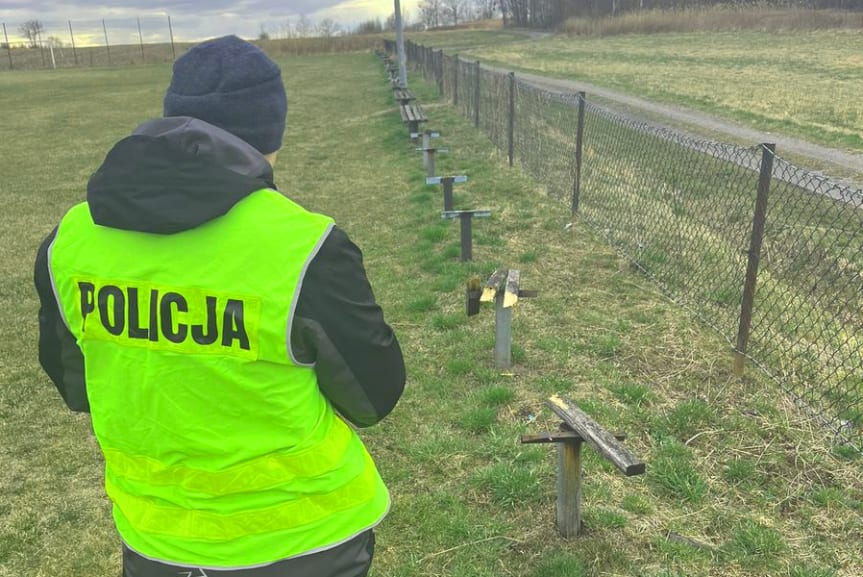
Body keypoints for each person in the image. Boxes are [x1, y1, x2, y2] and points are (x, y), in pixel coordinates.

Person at [34, 35, 405, 577]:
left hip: (156, 539)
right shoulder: (302, 246)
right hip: (307, 540)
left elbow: (75, 386)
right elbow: (374, 397)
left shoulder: (69, 240)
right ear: (269, 131)